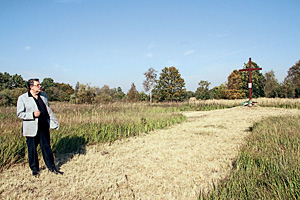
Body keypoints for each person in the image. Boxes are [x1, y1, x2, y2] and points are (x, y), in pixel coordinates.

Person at [17, 78, 63, 176]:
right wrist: (32, 114)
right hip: (31, 128)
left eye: (39, 85)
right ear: (31, 87)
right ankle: (35, 170)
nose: (40, 86)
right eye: (37, 85)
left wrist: (52, 122)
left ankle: (52, 168)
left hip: (43, 127)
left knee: (46, 147)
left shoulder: (44, 96)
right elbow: (20, 114)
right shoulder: (22, 98)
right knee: (32, 149)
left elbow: (48, 109)